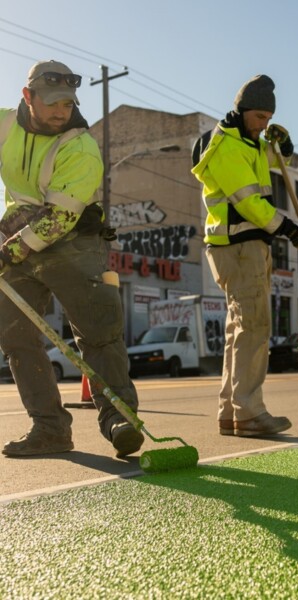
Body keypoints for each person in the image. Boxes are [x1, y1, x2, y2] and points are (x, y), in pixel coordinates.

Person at [0, 60, 143, 457]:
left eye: (67, 103)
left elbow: (59, 218)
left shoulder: (80, 146)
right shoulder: (5, 124)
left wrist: (9, 249)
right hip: (17, 237)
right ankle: (49, 430)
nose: (61, 111)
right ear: (27, 97)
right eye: (51, 103)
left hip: (73, 241)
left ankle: (119, 419)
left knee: (99, 332)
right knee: (16, 338)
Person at [191, 74, 298, 437]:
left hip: (247, 246)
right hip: (239, 245)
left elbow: (277, 162)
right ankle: (248, 412)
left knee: (240, 332)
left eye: (268, 118)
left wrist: (285, 144)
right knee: (254, 327)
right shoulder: (228, 146)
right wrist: (291, 230)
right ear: (243, 110)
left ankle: (232, 413)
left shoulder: (249, 144)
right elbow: (249, 203)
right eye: (260, 117)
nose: (265, 124)